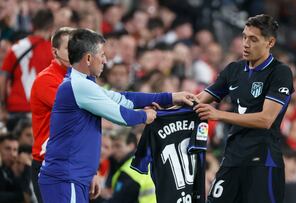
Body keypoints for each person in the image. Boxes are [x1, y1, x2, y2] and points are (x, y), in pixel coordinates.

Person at [38, 28, 197, 203]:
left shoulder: (82, 84)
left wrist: (170, 97)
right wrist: (148, 115)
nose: (106, 60)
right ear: (89, 58)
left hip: (74, 177)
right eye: (102, 55)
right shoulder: (78, 86)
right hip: (66, 178)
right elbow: (122, 116)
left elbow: (125, 98)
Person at [194, 14, 294, 203]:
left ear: (270, 42)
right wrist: (167, 105)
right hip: (233, 157)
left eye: (253, 39)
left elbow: (266, 120)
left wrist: (219, 115)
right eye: (244, 37)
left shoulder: (280, 72)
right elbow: (200, 100)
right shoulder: (234, 69)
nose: (246, 44)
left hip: (263, 160)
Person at [30, 27, 75, 203]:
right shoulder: (46, 80)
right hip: (47, 164)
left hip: (71, 164)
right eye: (68, 48)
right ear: (55, 51)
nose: (74, 53)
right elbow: (77, 110)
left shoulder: (78, 79)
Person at [0, 9, 54, 131]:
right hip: (42, 110)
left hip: (16, 108)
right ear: (51, 27)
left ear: (32, 25)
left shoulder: (16, 47)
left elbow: (2, 79)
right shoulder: (54, 52)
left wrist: (3, 104)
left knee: (14, 148)